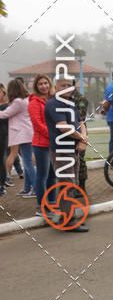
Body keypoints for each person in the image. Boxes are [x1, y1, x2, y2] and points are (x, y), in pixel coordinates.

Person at [44, 78, 89, 231]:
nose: (66, 88)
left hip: (72, 149)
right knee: (67, 185)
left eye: (69, 85)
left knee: (72, 184)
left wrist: (83, 137)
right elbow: (63, 128)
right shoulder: (53, 104)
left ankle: (67, 217)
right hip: (61, 151)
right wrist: (82, 137)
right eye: (62, 85)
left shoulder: (70, 104)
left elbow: (80, 122)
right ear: (55, 87)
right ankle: (68, 221)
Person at [0, 79, 37, 197]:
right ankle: (27, 188)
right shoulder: (25, 100)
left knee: (27, 163)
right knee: (26, 162)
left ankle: (36, 188)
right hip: (26, 134)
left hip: (22, 135)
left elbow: (5, 114)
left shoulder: (18, 102)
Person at [28, 73, 57, 216]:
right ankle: (41, 207)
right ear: (36, 87)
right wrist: (53, 135)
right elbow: (38, 125)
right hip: (41, 145)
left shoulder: (53, 99)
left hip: (53, 143)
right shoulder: (34, 102)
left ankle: (52, 203)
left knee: (53, 176)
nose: (44, 86)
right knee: (42, 176)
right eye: (40, 84)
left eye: (46, 83)